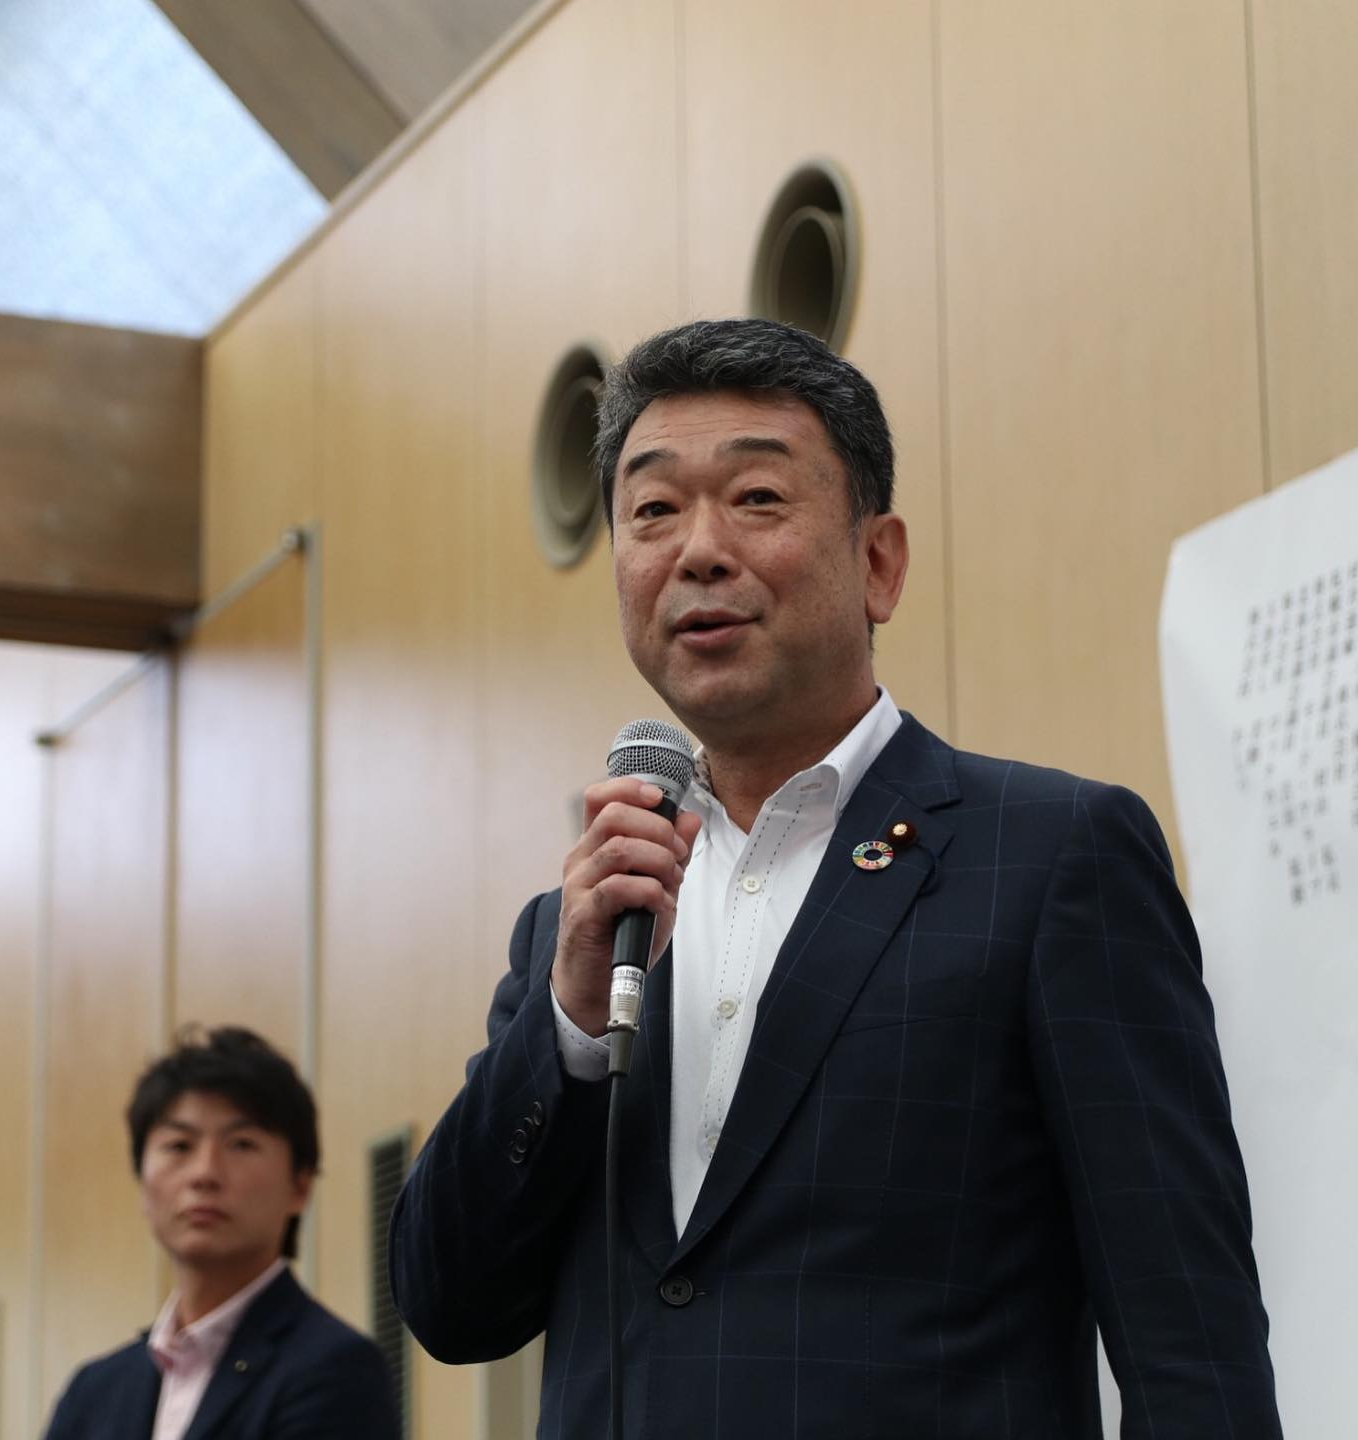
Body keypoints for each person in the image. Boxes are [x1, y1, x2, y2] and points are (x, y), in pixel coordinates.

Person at [390, 317, 1282, 1437]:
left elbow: (1187, 1332)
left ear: (879, 563)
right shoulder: (580, 928)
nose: (698, 551)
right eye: (653, 511)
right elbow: (451, 1306)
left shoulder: (1052, 855)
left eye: (757, 498)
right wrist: (565, 1025)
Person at [45, 1026, 399, 1440]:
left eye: (241, 1144)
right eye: (179, 1145)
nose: (205, 1173)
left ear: (299, 1186)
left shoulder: (337, 1369)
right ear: (142, 1182)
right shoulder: (92, 1392)